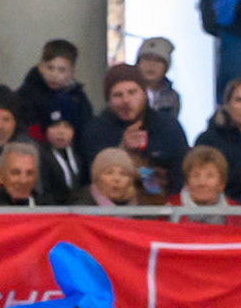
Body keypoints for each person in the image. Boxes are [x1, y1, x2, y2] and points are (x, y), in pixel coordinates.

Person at [80, 63, 189, 198]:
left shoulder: (167, 126)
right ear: (109, 100)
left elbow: (182, 171)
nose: (126, 100)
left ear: (144, 93)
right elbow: (91, 179)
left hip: (163, 207)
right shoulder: (96, 130)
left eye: (132, 92)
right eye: (118, 95)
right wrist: (122, 150)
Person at [14, 38, 93, 137]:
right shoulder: (26, 96)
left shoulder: (78, 98)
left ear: (72, 71)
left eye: (62, 70)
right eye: (50, 68)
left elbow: (86, 128)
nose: (54, 75)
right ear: (41, 66)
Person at [34, 109, 86, 204]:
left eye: (67, 127)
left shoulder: (79, 154)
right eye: (55, 126)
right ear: (46, 130)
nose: (61, 132)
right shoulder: (40, 155)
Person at [75, 146, 147, 206]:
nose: (116, 179)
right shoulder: (80, 206)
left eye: (123, 174)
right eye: (109, 173)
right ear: (97, 178)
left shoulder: (144, 209)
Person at [177, 146, 233, 212]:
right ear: (186, 182)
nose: (202, 182)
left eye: (210, 176)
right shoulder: (168, 211)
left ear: (222, 184)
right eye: (196, 176)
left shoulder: (239, 216)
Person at [137, 36, 182, 120]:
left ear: (166, 67)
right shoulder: (127, 92)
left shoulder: (172, 97)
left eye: (158, 60)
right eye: (146, 58)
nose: (151, 64)